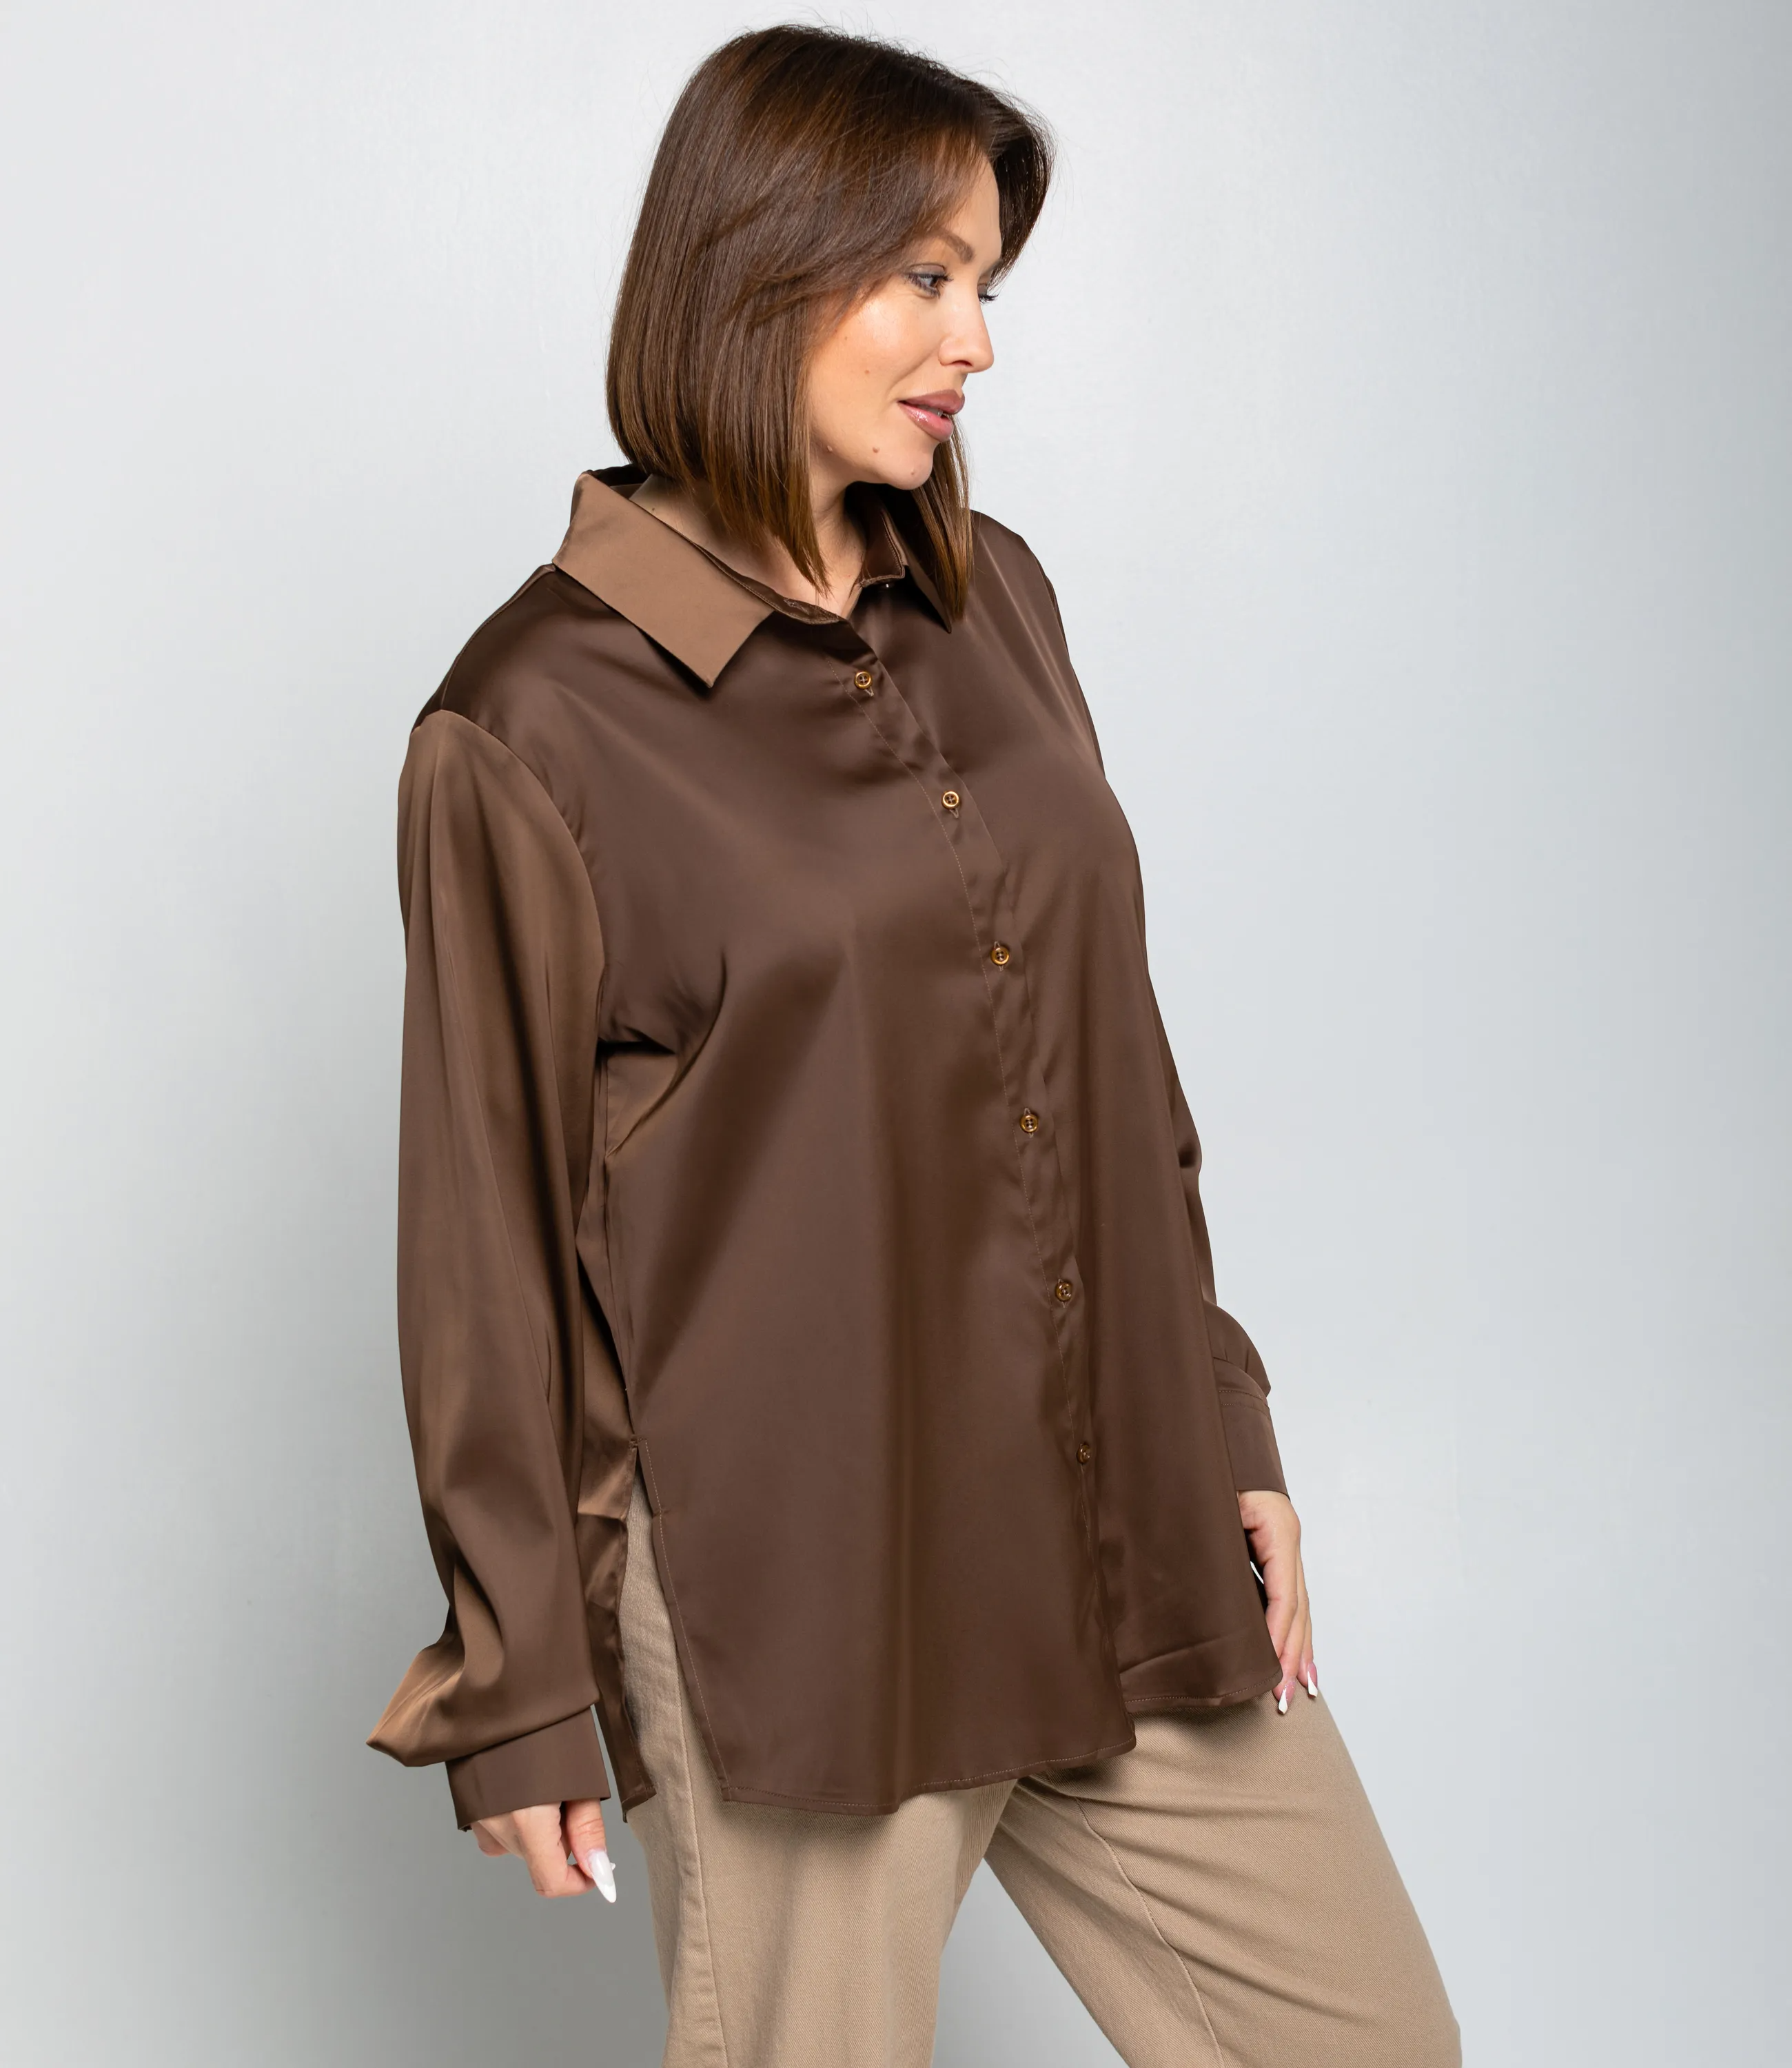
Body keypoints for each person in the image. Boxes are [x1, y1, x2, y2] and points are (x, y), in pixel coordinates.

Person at [367, 24, 1460, 2068]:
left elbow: (1113, 1058)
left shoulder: (998, 601)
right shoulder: (530, 721)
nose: (978, 340)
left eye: (986, 282)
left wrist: (1223, 1416)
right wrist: (521, 1690)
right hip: (812, 1586)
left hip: (1111, 1511)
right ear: (758, 268)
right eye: (925, 276)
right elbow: (483, 1252)